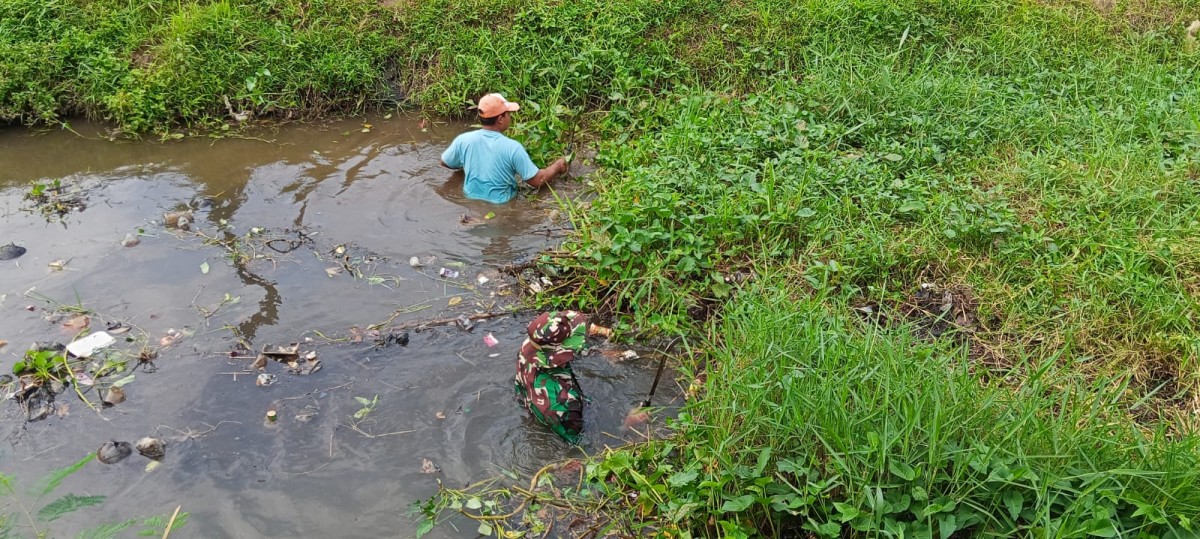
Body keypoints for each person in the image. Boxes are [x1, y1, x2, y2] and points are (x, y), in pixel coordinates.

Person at [440, 93, 569, 204]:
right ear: (500, 119)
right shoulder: (513, 147)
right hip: (501, 205)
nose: (510, 117)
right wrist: (558, 165)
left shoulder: (463, 140)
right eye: (508, 114)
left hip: (470, 199)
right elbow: (538, 180)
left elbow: (445, 162)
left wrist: (469, 165)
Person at [514, 310, 588, 443]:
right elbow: (577, 443)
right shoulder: (567, 404)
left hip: (529, 401)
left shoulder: (528, 347)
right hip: (561, 425)